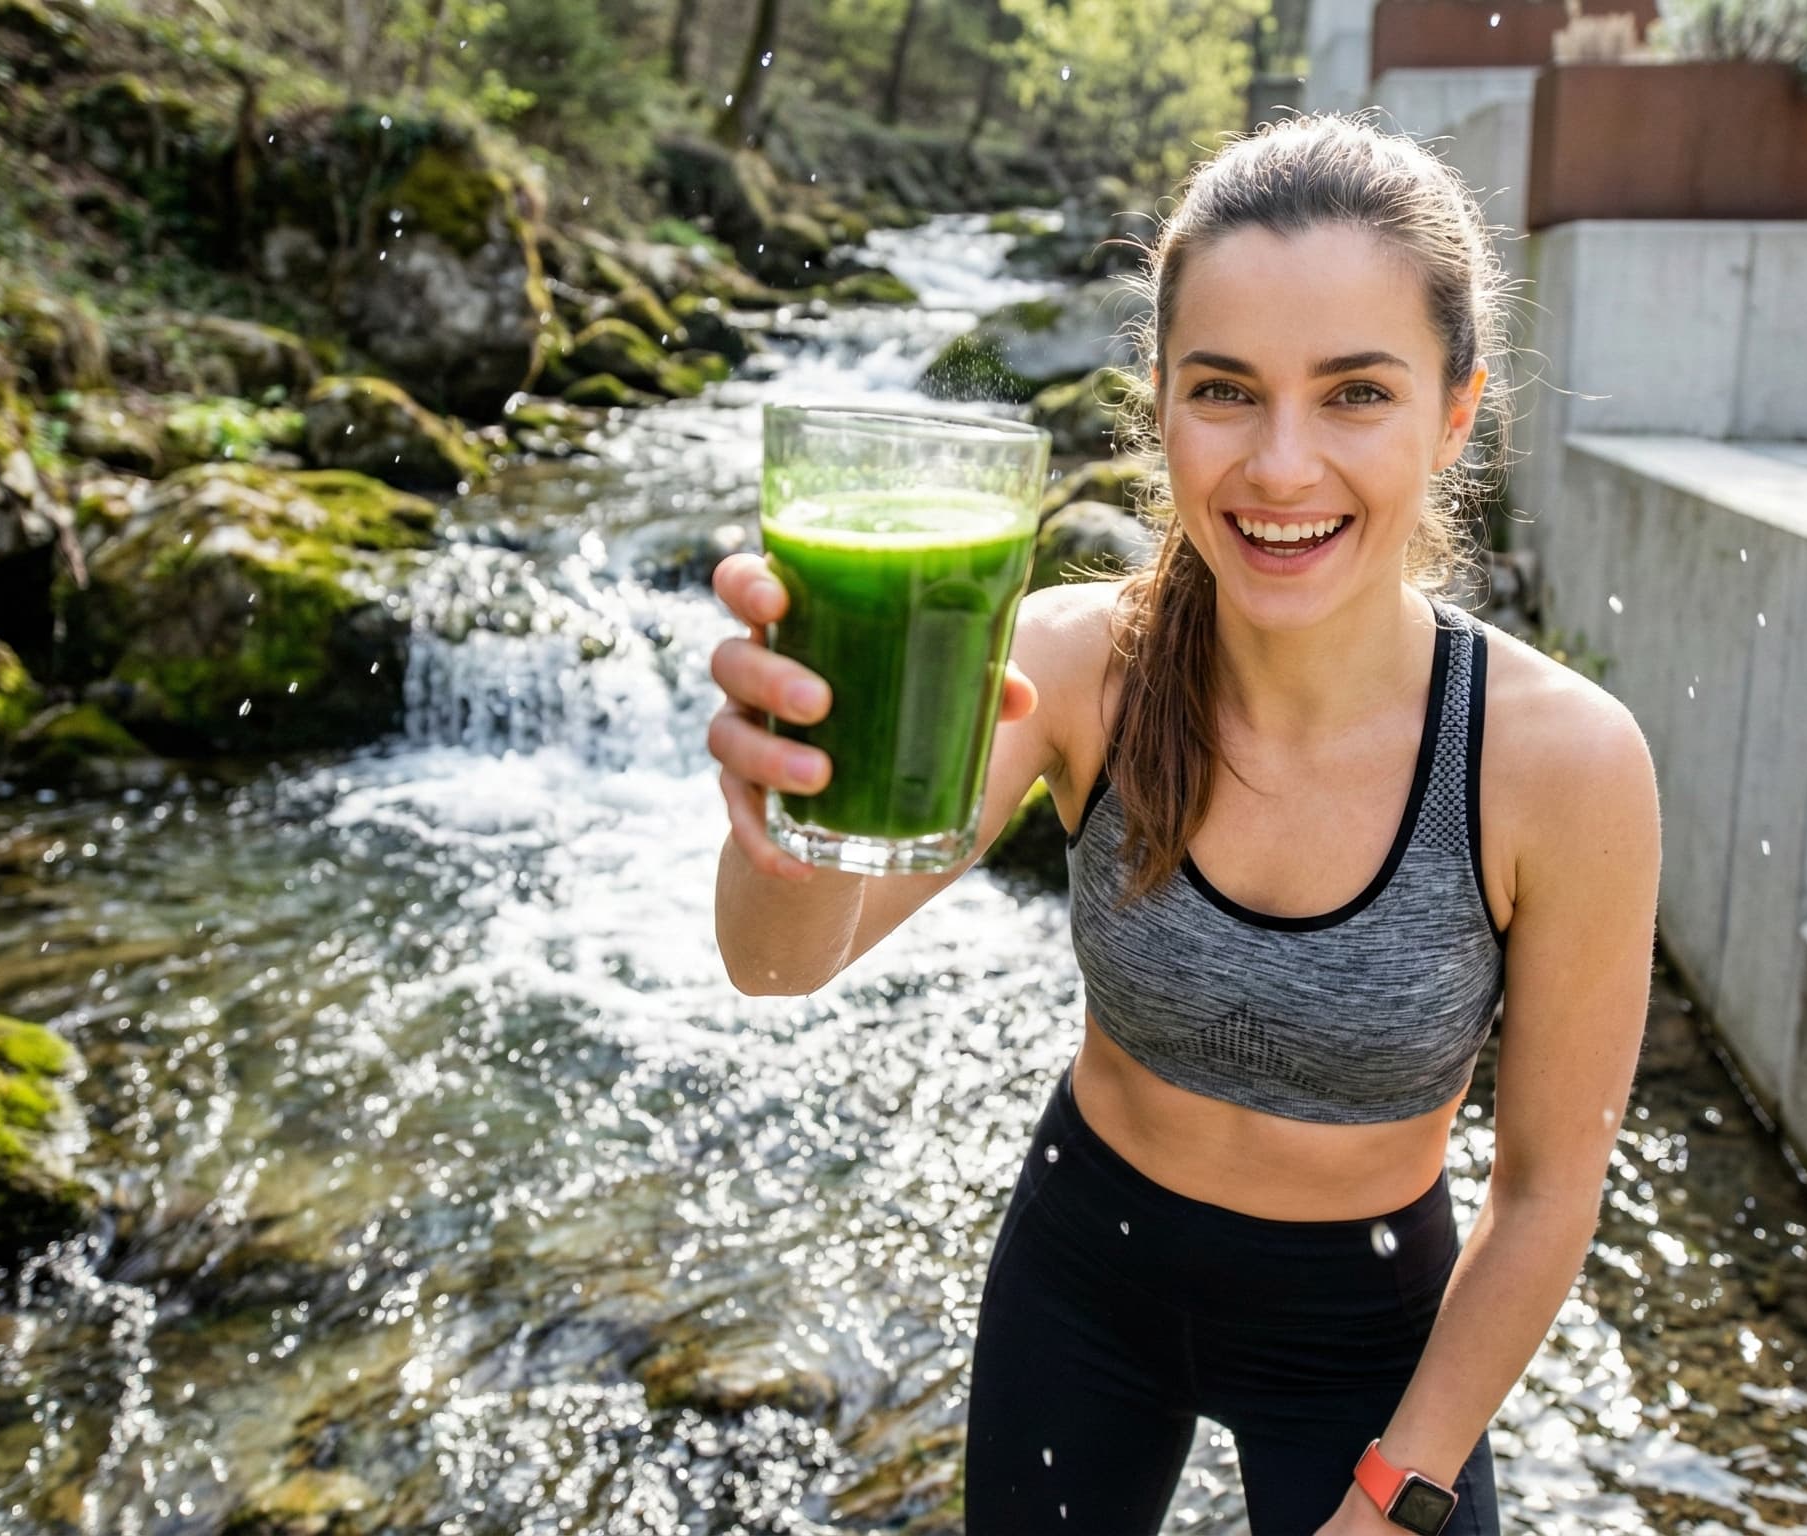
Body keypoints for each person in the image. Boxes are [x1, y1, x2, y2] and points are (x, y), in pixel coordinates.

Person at [706, 113, 1660, 1536]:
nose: (1281, 467)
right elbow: (776, 964)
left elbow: (1544, 1195)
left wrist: (1397, 1492)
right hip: (1087, 1272)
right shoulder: (1071, 666)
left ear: (1453, 415)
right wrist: (792, 799)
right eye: (1225, 390)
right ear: (1159, 403)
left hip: (1370, 1337)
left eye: (1354, 395)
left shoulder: (1560, 763)